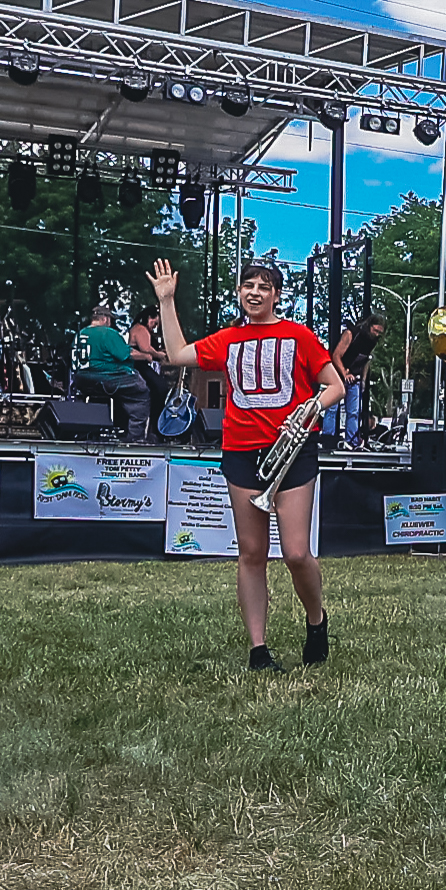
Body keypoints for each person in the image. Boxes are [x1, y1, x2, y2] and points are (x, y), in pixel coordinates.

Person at [147, 257, 345, 671]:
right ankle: (258, 649)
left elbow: (336, 386)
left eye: (263, 286)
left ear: (276, 294)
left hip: (292, 451)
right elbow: (179, 353)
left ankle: (316, 620)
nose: (254, 292)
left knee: (295, 553)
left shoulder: (298, 335)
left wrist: (311, 408)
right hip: (241, 451)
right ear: (240, 292)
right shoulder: (228, 338)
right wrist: (167, 301)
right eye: (247, 285)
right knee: (251, 553)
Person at [72, 304, 160, 434]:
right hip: (106, 378)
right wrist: (146, 356)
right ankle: (135, 435)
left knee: (122, 391)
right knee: (141, 391)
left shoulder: (80, 334)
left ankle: (93, 430)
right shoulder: (108, 333)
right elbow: (126, 354)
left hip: (82, 380)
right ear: (105, 319)